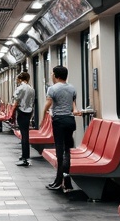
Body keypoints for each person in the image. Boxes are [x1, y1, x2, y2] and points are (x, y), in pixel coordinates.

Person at [42, 64, 80, 193]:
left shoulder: (52, 89)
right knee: (67, 150)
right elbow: (73, 105)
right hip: (70, 121)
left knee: (59, 151)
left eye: (52, 74)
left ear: (56, 75)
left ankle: (58, 181)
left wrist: (42, 119)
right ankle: (66, 178)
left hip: (59, 121)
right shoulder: (72, 88)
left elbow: (48, 105)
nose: (51, 76)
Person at [12, 70, 36, 166]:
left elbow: (16, 101)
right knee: (26, 135)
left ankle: (25, 157)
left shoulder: (20, 88)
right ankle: (25, 155)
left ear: (21, 79)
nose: (17, 81)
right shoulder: (31, 89)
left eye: (17, 79)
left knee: (24, 135)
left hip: (21, 112)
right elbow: (32, 101)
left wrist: (12, 113)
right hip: (29, 112)